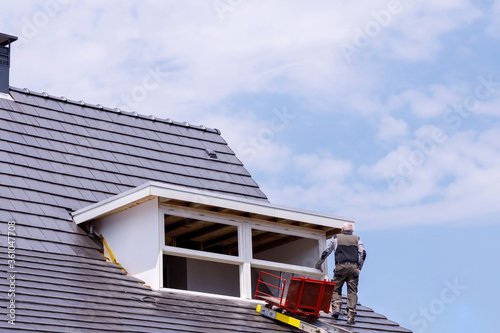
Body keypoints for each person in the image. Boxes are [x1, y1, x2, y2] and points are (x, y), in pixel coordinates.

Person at [315, 222, 366, 325]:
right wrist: (359, 267)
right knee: (352, 291)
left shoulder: (336, 238)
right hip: (353, 268)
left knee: (335, 287)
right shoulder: (357, 239)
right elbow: (363, 253)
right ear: (352, 231)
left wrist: (318, 264)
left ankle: (337, 307)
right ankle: (351, 316)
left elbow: (326, 252)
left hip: (341, 267)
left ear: (342, 229)